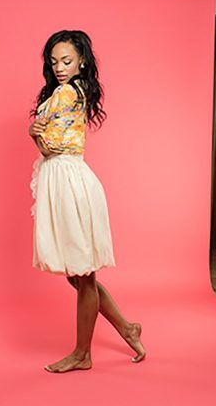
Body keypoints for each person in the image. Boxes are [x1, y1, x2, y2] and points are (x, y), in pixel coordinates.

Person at [28, 30, 146, 373]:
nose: (60, 68)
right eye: (54, 62)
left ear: (82, 61)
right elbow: (47, 139)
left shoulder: (65, 93)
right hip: (66, 179)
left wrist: (33, 132)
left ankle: (82, 354)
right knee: (79, 275)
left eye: (66, 61)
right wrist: (36, 132)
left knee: (83, 275)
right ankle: (126, 328)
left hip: (68, 181)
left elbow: (50, 144)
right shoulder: (69, 91)